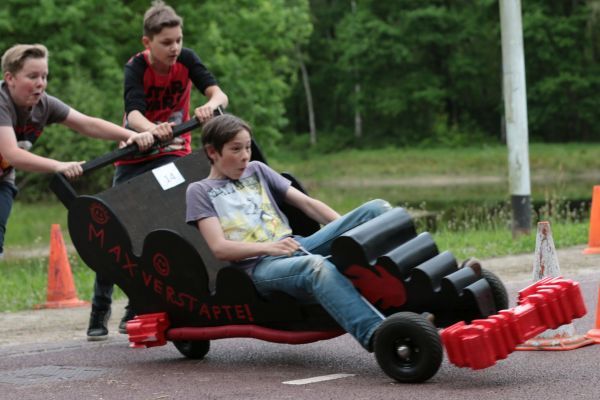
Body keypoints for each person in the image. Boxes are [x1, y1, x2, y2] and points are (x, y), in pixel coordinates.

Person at [185, 114, 392, 351]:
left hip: (296, 244)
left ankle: (415, 293)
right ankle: (378, 334)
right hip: (260, 267)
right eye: (236, 149)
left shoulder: (257, 170)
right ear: (213, 152)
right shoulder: (199, 191)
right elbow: (220, 248)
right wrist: (269, 248)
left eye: (248, 147)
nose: (245, 156)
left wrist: (352, 235)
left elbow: (308, 204)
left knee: (377, 209)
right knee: (315, 266)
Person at [87, 0, 229, 340]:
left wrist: (210, 106)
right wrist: (150, 129)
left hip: (172, 154)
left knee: (164, 228)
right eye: (167, 42)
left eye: (178, 40)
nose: (175, 48)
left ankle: (138, 308)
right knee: (114, 232)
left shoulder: (188, 59)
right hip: (135, 156)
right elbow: (133, 114)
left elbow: (218, 93)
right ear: (147, 43)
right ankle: (98, 311)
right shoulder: (135, 68)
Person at [0, 43, 155, 258]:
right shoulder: (2, 103)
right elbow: (11, 154)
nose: (40, 84)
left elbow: (87, 124)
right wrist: (58, 165)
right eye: (32, 76)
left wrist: (130, 135)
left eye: (44, 76)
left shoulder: (44, 105)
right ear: (10, 78)